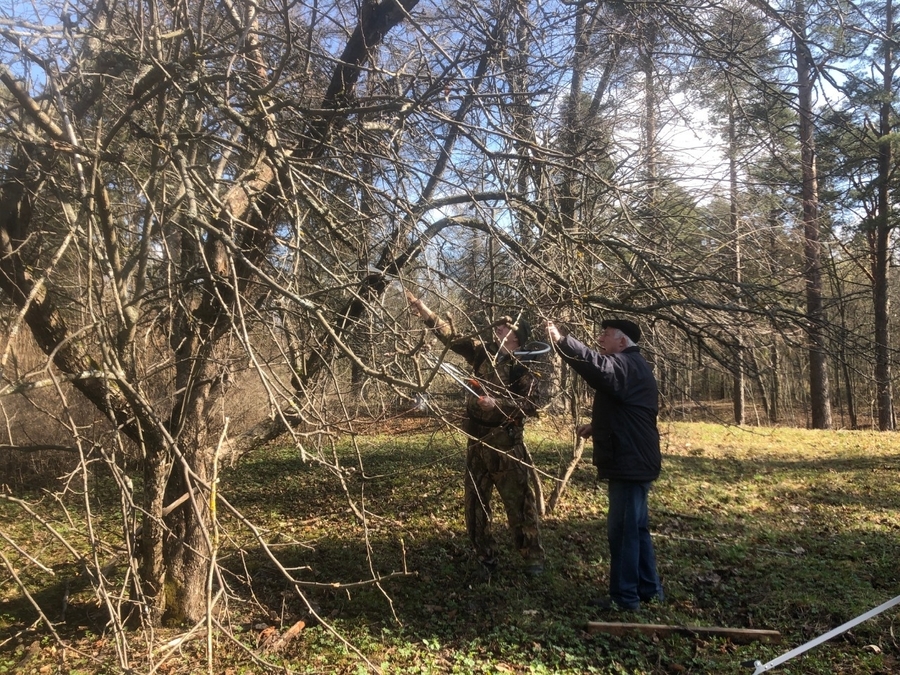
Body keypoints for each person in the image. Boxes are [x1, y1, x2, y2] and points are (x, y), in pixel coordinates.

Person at [408, 292, 545, 577]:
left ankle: (532, 558)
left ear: (516, 336)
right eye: (499, 326)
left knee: (519, 504)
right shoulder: (482, 351)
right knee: (476, 504)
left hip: (506, 445)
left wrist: (500, 403)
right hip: (476, 441)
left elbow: (532, 405)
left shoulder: (524, 365)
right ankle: (484, 557)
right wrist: (423, 310)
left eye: (505, 327)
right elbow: (451, 338)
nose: (498, 328)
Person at [545, 317, 663, 610]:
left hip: (630, 461)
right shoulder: (633, 368)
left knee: (622, 530)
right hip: (635, 458)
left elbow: (597, 368)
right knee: (636, 528)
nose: (600, 340)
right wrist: (597, 427)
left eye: (606, 335)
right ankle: (649, 591)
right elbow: (626, 410)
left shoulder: (627, 364)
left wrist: (563, 341)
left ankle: (625, 598)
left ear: (622, 341)